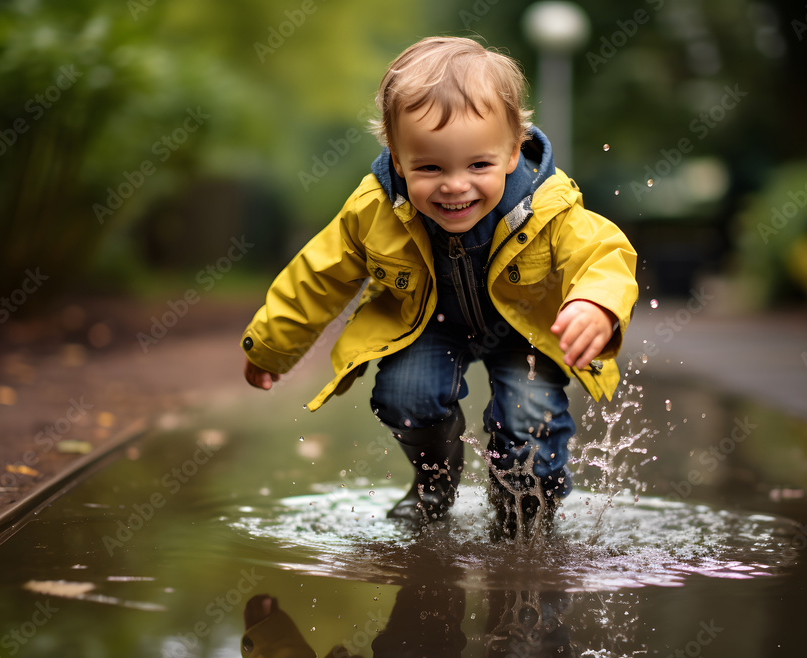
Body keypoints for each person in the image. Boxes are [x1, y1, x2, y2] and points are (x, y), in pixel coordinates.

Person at [241, 36, 638, 535]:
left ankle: (527, 501)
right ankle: (436, 475)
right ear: (397, 156)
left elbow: (604, 252)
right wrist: (273, 345)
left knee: (529, 415)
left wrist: (595, 302)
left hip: (523, 329)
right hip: (428, 324)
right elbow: (317, 275)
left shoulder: (548, 206)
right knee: (404, 396)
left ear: (514, 152)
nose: (455, 186)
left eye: (478, 165)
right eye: (430, 167)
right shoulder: (375, 208)